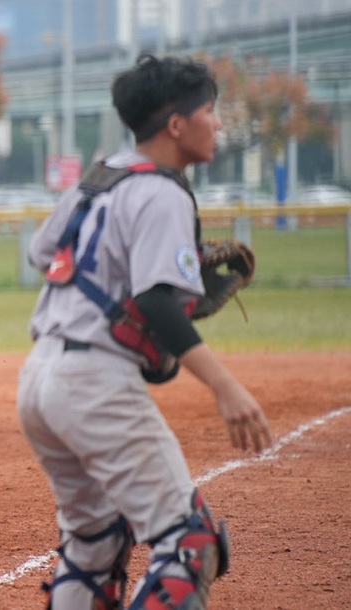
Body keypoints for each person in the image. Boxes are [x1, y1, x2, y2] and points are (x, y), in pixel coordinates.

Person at [17, 54, 273, 609]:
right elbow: (155, 299)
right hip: (94, 383)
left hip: (39, 378)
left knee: (94, 544)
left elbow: (45, 254)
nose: (218, 123)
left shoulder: (102, 173)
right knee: (190, 541)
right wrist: (225, 386)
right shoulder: (163, 192)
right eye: (210, 110)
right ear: (176, 125)